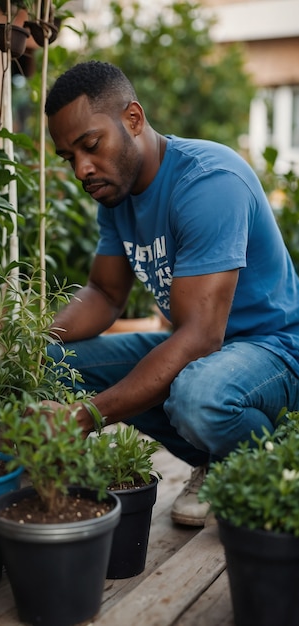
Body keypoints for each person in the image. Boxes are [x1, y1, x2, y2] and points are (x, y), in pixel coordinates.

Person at [44, 60, 299, 527]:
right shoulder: (116, 192)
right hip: (204, 349)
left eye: (90, 145)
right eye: (69, 157)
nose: (82, 169)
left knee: (198, 395)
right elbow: (104, 293)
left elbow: (201, 337)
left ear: (133, 119)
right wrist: (30, 339)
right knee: (52, 362)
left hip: (275, 351)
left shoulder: (207, 183)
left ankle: (264, 459)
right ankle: (216, 454)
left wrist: (88, 414)